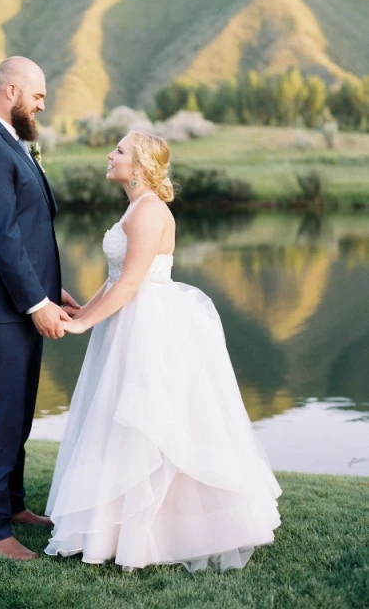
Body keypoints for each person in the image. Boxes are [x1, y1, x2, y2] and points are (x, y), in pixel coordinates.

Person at [45, 130, 281, 572]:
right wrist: (83, 308)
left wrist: (82, 325)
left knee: (148, 423)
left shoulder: (150, 211)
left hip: (148, 326)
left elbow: (133, 282)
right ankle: (110, 527)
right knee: (115, 419)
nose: (109, 155)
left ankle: (156, 530)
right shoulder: (135, 207)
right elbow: (116, 278)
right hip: (125, 322)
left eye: (118, 150)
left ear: (139, 165)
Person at [0, 56, 80, 561]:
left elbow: (27, 231)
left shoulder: (10, 142)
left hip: (22, 307)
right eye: (38, 96)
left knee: (19, 414)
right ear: (10, 90)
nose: (42, 106)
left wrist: (52, 292)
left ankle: (13, 506)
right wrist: (35, 302)